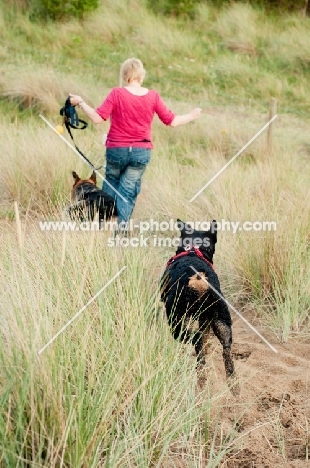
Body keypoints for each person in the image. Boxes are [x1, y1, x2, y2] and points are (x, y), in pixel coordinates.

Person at [69, 58, 201, 229]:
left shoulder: (116, 93)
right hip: (140, 152)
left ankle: (101, 228)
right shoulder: (153, 96)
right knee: (127, 193)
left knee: (110, 184)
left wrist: (80, 102)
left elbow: (96, 118)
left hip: (116, 150)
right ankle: (120, 235)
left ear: (125, 76)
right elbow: (172, 121)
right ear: (141, 76)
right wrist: (191, 115)